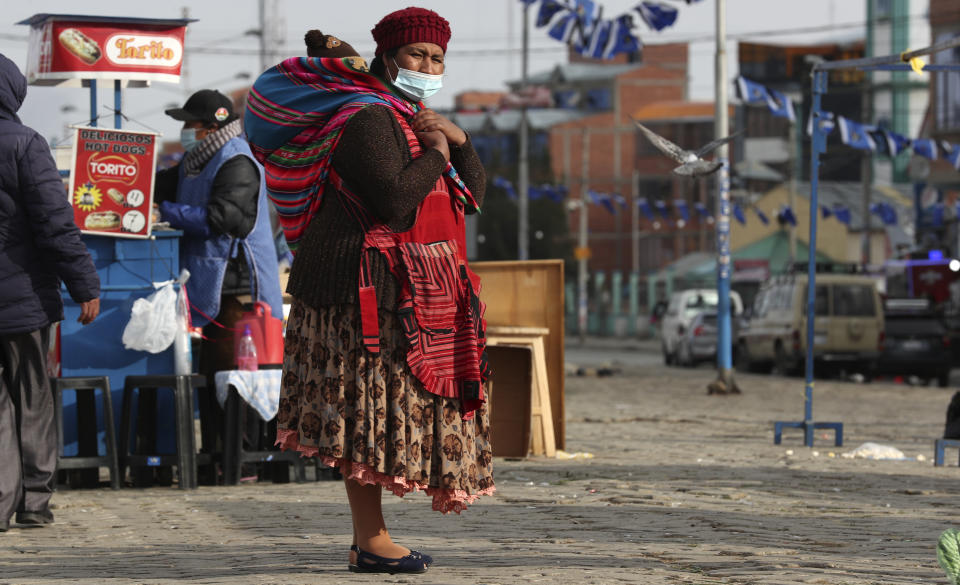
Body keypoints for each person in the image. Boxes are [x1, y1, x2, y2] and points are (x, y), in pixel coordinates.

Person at [245, 9, 493, 574]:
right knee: (363, 420)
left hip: (403, 284)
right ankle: (370, 540)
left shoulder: (408, 115)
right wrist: (436, 152)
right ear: (388, 59)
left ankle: (371, 539)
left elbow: (471, 196)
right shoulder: (367, 119)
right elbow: (395, 201)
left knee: (380, 415)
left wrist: (460, 140)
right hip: (357, 291)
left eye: (437, 59)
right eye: (416, 56)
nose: (428, 67)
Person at [0, 53, 101, 532]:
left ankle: (0, 504)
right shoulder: (25, 144)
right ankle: (35, 503)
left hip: (18, 299)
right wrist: (85, 285)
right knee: (34, 397)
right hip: (24, 303)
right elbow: (55, 225)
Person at [155, 89, 283, 389]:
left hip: (241, 293)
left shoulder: (237, 161)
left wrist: (164, 211)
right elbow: (158, 185)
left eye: (190, 125)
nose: (185, 131)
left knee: (238, 386)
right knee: (213, 384)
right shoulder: (194, 160)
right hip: (211, 287)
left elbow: (221, 220)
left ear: (211, 128)